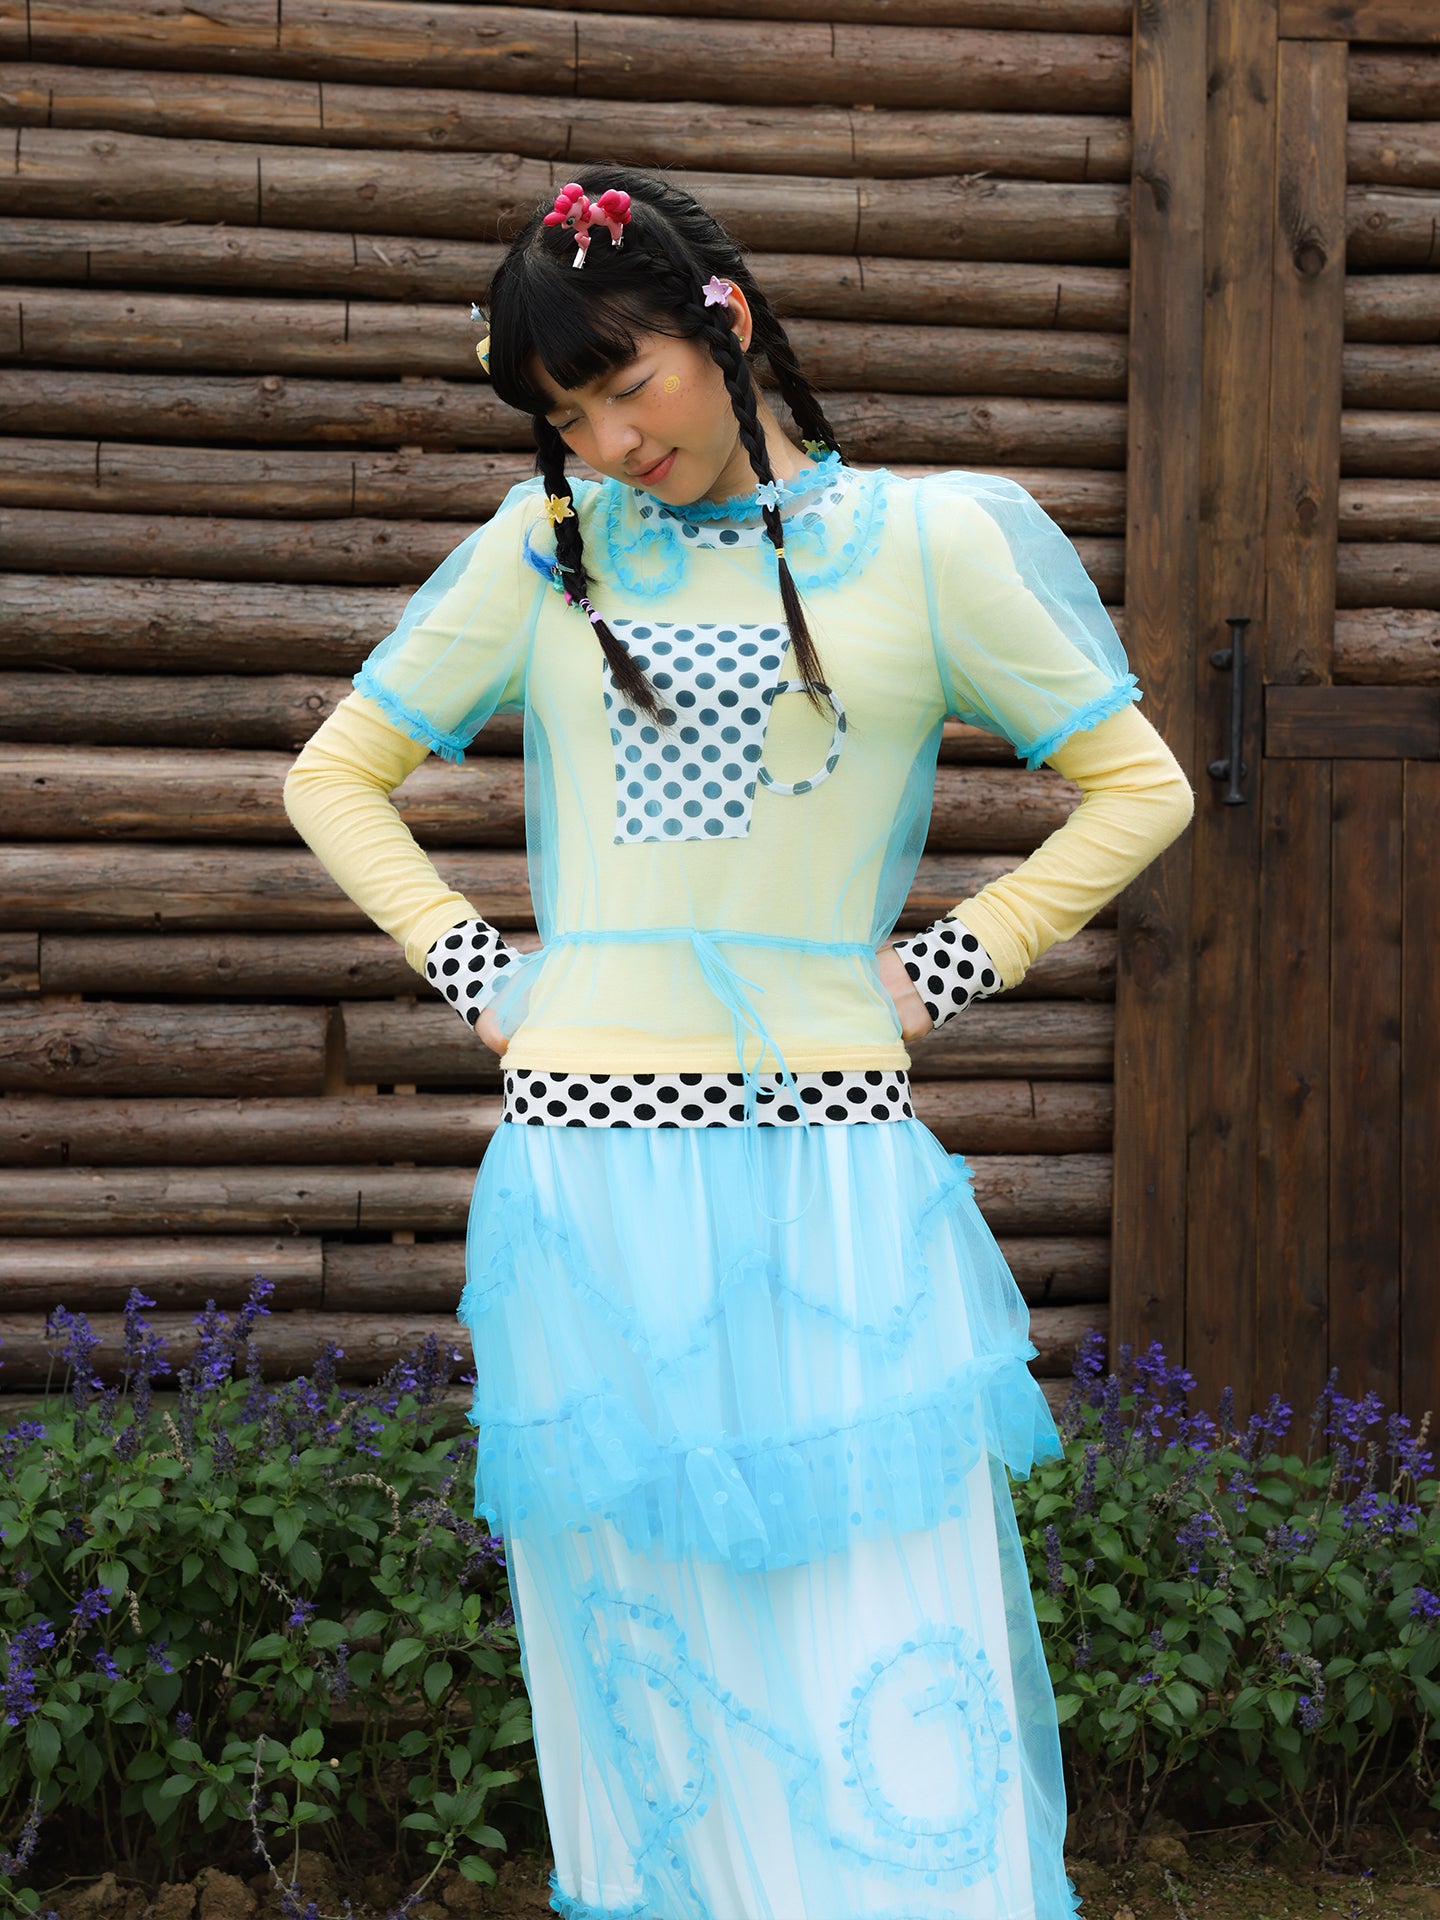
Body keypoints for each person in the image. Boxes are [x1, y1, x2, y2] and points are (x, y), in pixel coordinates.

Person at [284, 167, 1193, 1920]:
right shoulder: (543, 551)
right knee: (638, 1617)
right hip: (587, 1175)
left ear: (730, 326)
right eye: (569, 417)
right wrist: (486, 978)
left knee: (876, 1603)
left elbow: (1138, 786)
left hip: (829, 1165)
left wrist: (956, 963)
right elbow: (338, 775)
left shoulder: (930, 546)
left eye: (627, 387)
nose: (612, 443)